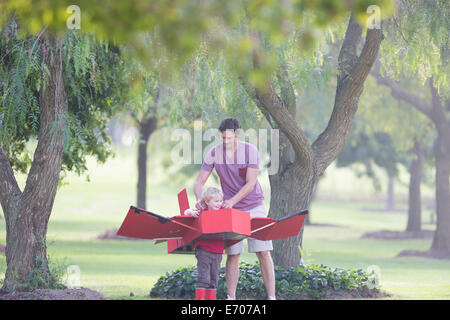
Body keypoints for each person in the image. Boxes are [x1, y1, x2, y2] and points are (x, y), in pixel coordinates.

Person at [193, 118, 276, 300]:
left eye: (229, 138)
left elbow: (251, 183)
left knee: (263, 251)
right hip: (231, 211)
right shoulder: (214, 154)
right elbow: (199, 182)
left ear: (237, 135)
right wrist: (200, 198)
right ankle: (231, 298)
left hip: (253, 205)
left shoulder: (250, 151)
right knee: (233, 253)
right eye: (223, 138)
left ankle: (272, 297)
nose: (226, 142)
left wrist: (232, 201)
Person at [185, 187, 225, 300]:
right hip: (204, 251)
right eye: (216, 201)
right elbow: (186, 213)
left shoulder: (223, 214)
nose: (219, 204)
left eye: (220, 201)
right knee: (204, 278)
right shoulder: (202, 213)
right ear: (207, 202)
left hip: (218, 251)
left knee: (214, 279)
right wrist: (191, 212)